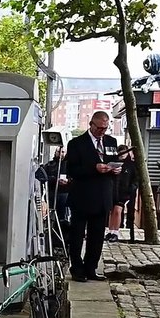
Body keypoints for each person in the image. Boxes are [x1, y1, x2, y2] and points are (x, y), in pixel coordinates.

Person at [65, 111, 120, 281]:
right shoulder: (76, 143)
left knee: (97, 236)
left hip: (103, 196)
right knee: (77, 235)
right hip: (82, 196)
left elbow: (114, 161)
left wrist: (115, 170)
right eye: (99, 128)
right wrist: (94, 168)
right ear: (91, 124)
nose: (102, 131)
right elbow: (72, 170)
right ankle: (77, 268)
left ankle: (91, 268)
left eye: (105, 128)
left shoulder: (111, 142)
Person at [106, 145, 138, 242]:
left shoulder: (131, 165)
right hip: (112, 191)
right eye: (120, 152)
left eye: (124, 152)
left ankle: (115, 232)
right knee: (112, 212)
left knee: (118, 210)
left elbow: (135, 179)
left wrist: (131, 189)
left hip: (124, 192)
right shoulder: (114, 163)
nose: (122, 154)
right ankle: (110, 231)